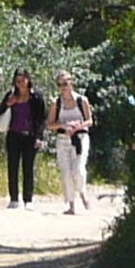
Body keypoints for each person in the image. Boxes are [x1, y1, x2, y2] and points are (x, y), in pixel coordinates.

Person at [0, 71, 48, 206]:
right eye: (17, 81)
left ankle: (28, 199)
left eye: (22, 80)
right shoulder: (11, 95)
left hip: (30, 137)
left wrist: (39, 137)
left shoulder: (36, 96)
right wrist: (8, 103)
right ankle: (13, 198)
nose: (20, 84)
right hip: (13, 135)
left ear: (28, 80)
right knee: (12, 167)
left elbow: (42, 119)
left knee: (28, 168)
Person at [52, 73, 95, 215]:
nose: (62, 88)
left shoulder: (82, 100)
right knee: (66, 172)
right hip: (63, 139)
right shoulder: (56, 102)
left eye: (65, 84)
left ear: (71, 83)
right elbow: (49, 124)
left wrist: (78, 126)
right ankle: (71, 204)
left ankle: (83, 193)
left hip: (80, 138)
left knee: (78, 169)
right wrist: (64, 125)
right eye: (59, 85)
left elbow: (90, 121)